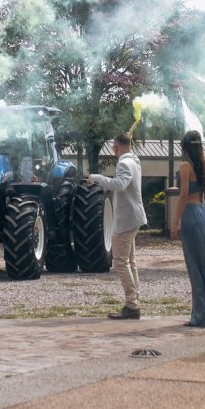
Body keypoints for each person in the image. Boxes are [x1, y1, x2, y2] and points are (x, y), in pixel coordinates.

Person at [171, 122, 205, 327]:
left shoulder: (185, 167)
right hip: (203, 213)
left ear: (185, 148)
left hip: (191, 215)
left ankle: (200, 315)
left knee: (195, 265)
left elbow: (183, 195)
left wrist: (174, 222)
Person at [88, 133, 147, 320]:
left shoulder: (124, 163)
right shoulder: (135, 161)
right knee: (130, 261)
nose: (113, 151)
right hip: (133, 217)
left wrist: (97, 178)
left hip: (127, 219)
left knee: (120, 262)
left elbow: (120, 185)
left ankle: (132, 305)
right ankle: (134, 302)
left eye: (114, 147)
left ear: (117, 147)